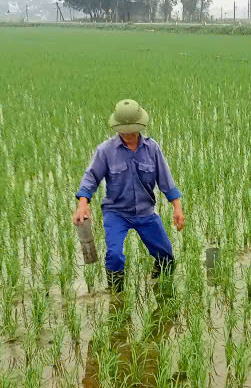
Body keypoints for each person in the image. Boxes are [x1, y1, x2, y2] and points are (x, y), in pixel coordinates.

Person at [73, 99, 185, 293]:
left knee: (166, 256)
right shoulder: (105, 151)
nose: (128, 134)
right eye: (124, 129)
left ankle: (161, 288)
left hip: (145, 211)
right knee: (115, 255)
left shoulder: (152, 149)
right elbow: (91, 178)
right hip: (116, 212)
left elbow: (166, 179)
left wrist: (177, 206)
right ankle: (117, 297)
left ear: (140, 126)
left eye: (132, 129)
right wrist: (83, 203)